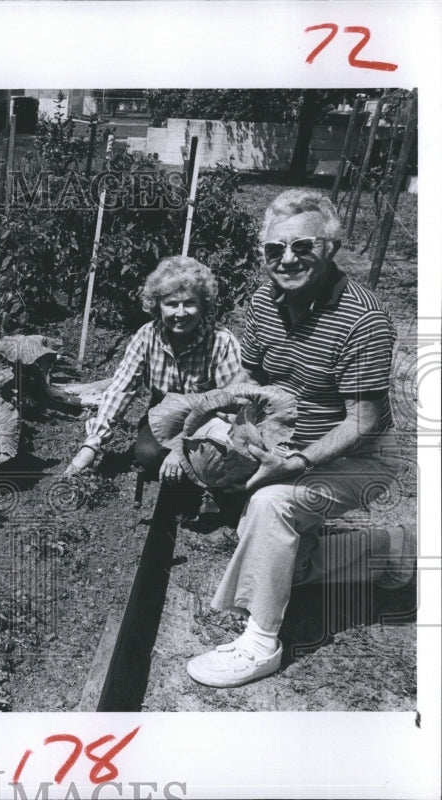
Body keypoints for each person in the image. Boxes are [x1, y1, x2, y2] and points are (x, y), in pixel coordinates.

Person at [186, 189, 413, 688]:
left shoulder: (363, 319)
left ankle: (260, 643)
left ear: (331, 247)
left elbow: (363, 422)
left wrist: (294, 463)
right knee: (282, 557)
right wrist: (235, 430)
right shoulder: (263, 302)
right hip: (289, 439)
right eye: (274, 249)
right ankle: (391, 551)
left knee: (270, 508)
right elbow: (246, 380)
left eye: (302, 246)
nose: (286, 259)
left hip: (362, 456)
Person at [66, 255, 241, 491]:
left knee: (213, 458)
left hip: (210, 417)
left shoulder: (221, 342)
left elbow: (231, 404)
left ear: (203, 304)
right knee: (147, 454)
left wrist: (183, 446)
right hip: (164, 411)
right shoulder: (147, 336)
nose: (181, 313)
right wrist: (92, 443)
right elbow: (121, 389)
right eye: (171, 304)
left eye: (189, 303)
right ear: (158, 305)